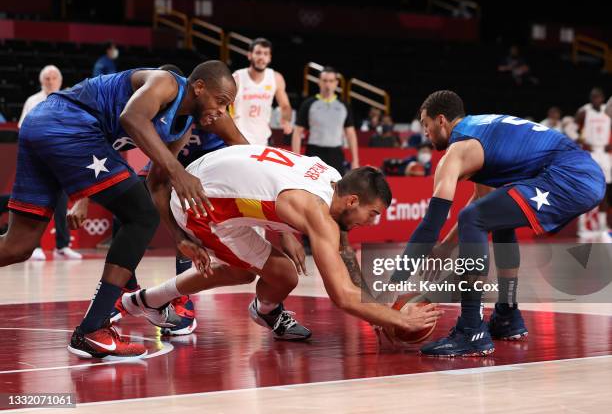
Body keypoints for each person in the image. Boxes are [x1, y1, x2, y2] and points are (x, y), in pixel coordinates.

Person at [0, 61, 237, 359]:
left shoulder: (183, 126)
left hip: (43, 125)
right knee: (140, 215)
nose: (221, 111)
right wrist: (180, 172)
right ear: (199, 87)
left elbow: (157, 184)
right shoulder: (167, 82)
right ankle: (93, 329)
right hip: (67, 122)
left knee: (17, 245)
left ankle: (100, 320)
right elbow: (132, 117)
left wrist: (179, 237)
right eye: (220, 101)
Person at [118, 145, 442, 340]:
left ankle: (147, 301)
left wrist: (376, 311)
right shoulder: (317, 212)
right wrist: (397, 318)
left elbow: (343, 250)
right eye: (372, 214)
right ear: (353, 201)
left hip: (214, 179)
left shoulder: (332, 179)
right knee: (258, 273)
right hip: (200, 203)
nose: (373, 222)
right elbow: (341, 296)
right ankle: (149, 301)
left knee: (277, 272)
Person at [391, 90, 604, 356]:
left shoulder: (459, 149)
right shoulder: (483, 132)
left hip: (569, 176)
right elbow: (482, 204)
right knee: (492, 217)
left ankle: (471, 330)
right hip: (582, 172)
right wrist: (445, 248)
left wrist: (393, 284)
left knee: (473, 218)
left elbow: (431, 224)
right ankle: (507, 316)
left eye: (426, 124)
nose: (425, 132)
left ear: (441, 120)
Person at [108, 64, 249, 336]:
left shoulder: (213, 113)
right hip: (172, 165)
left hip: (206, 168)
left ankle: (181, 297)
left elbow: (243, 147)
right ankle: (126, 288)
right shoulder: (159, 111)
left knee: (188, 213)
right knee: (128, 206)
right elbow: (148, 166)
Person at [17, 65, 82, 261]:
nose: (50, 81)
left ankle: (62, 246)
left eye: (54, 77)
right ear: (41, 80)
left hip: (60, 160)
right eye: (47, 77)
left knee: (61, 205)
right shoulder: (33, 101)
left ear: (60, 81)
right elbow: (22, 128)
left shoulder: (68, 99)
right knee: (34, 204)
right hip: (37, 161)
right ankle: (34, 246)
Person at [292, 66, 359, 175]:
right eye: (325, 81)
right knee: (312, 189)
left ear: (336, 83)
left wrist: (355, 160)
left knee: (336, 189)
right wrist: (296, 158)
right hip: (314, 152)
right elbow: (297, 132)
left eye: (331, 81)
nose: (328, 84)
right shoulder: (308, 104)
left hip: (336, 153)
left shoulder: (343, 105)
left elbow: (351, 134)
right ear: (319, 82)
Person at [232, 38, 293, 145]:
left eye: (265, 54)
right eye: (258, 53)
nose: (261, 57)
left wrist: (286, 120)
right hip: (239, 137)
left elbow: (285, 106)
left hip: (263, 139)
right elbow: (227, 106)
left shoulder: (276, 78)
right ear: (250, 55)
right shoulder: (237, 77)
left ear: (269, 58)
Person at [575, 87, 611, 236]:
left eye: (598, 97)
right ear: (590, 98)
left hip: (604, 152)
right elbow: (571, 127)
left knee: (606, 188)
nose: (596, 99)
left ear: (602, 98)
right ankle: (582, 226)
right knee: (586, 187)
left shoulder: (607, 109)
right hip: (590, 152)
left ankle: (602, 226)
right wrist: (581, 140)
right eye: (593, 97)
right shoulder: (584, 111)